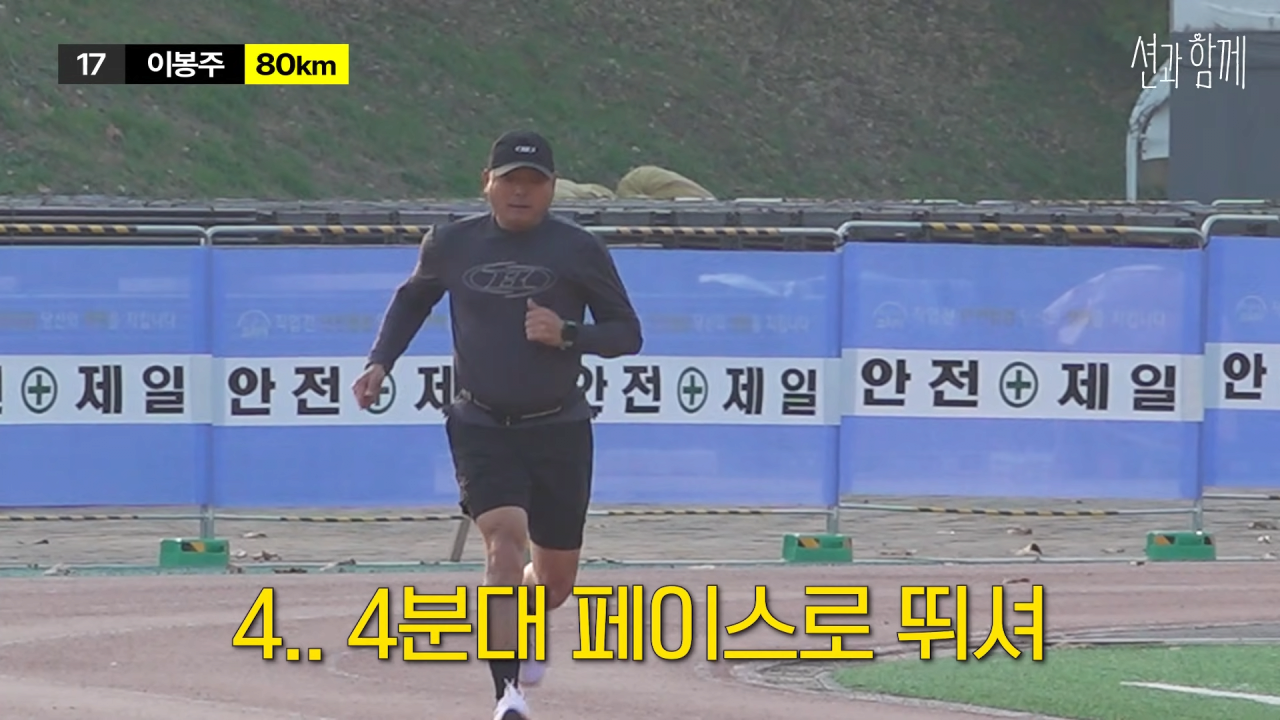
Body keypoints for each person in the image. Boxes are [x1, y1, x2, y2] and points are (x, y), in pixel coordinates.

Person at [351, 129, 643, 720]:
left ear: (552, 189)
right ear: (487, 183)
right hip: (480, 422)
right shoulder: (451, 243)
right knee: (502, 546)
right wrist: (380, 362)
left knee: (554, 584)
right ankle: (507, 695)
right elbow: (413, 300)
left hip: (559, 426)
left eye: (534, 183)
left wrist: (568, 333)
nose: (520, 192)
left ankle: (526, 620)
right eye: (510, 180)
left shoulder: (579, 249)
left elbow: (627, 334)